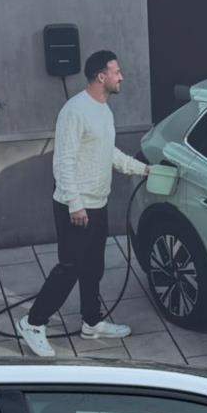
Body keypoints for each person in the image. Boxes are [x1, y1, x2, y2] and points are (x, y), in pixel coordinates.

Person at [16, 49, 149, 359]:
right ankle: (32, 323)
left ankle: (91, 323)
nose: (121, 77)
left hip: (97, 202)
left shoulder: (103, 110)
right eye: (116, 72)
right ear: (101, 76)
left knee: (93, 268)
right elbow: (63, 161)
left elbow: (108, 152)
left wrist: (144, 169)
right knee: (70, 268)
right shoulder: (74, 111)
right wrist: (75, 204)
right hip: (75, 206)